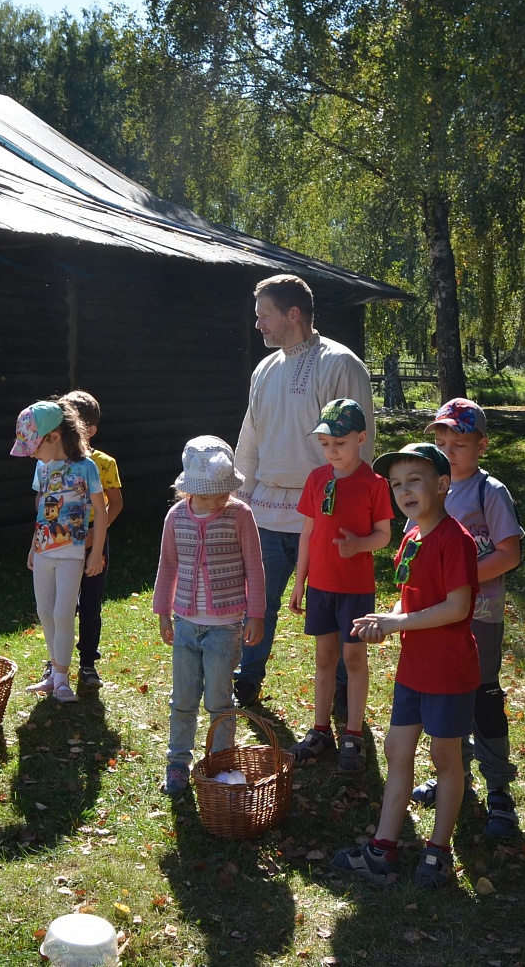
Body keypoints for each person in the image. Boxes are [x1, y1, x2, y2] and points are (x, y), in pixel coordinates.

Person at [332, 442, 480, 889]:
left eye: (414, 480)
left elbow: (457, 607)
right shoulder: (411, 538)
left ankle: (438, 853)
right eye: (396, 484)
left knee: (443, 757)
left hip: (450, 671)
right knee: (398, 751)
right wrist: (386, 618)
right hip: (413, 669)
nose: (404, 491)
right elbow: (410, 597)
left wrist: (398, 622)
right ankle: (383, 850)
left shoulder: (456, 540)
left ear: (441, 483)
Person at [233, 273, 375, 708]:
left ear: (293, 314)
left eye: (264, 315)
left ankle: (340, 689)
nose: (258, 324)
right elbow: (251, 439)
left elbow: (360, 443)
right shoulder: (264, 369)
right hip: (268, 510)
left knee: (334, 608)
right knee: (257, 600)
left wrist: (354, 509)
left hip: (326, 513)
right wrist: (239, 498)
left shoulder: (341, 364)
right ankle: (247, 675)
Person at [410, 397, 525, 838]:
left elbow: (509, 554)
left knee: (481, 696)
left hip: (479, 614)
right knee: (445, 697)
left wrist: (461, 580)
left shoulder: (488, 492)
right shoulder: (430, 487)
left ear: (482, 446)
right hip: (435, 616)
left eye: (459, 441)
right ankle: (451, 779)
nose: (449, 448)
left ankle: (499, 790)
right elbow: (413, 546)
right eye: (441, 440)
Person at [153, 437, 265, 795]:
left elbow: (254, 567)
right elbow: (168, 565)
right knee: (183, 698)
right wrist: (163, 613)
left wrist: (256, 614)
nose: (216, 500)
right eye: (206, 495)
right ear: (189, 490)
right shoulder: (176, 517)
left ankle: (221, 761)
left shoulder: (240, 514)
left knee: (219, 700)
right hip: (186, 624)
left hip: (225, 628)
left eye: (221, 493)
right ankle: (177, 762)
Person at [286, 399, 393, 773]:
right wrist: (300, 583)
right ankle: (320, 731)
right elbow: (308, 533)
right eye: (326, 444)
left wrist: (358, 545)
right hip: (321, 587)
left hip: (355, 589)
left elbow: (383, 535)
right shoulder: (316, 479)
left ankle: (353, 733)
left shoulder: (374, 484)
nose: (332, 451)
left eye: (340, 443)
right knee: (324, 658)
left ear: (361, 438)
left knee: (354, 658)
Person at [12, 399, 108, 704]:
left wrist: (96, 553)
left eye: (35, 446)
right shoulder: (42, 468)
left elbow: (101, 511)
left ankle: (64, 679)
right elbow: (41, 510)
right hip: (43, 551)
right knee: (45, 611)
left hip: (71, 552)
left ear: (54, 437)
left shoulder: (86, 466)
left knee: (63, 613)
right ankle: (54, 673)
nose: (33, 454)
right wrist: (32, 546)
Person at [60, 391, 123, 689]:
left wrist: (96, 535)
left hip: (93, 544)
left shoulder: (104, 463)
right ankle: (56, 660)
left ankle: (87, 663)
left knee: (90, 601)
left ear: (91, 430)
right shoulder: (54, 462)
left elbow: (116, 502)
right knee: (61, 602)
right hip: (60, 542)